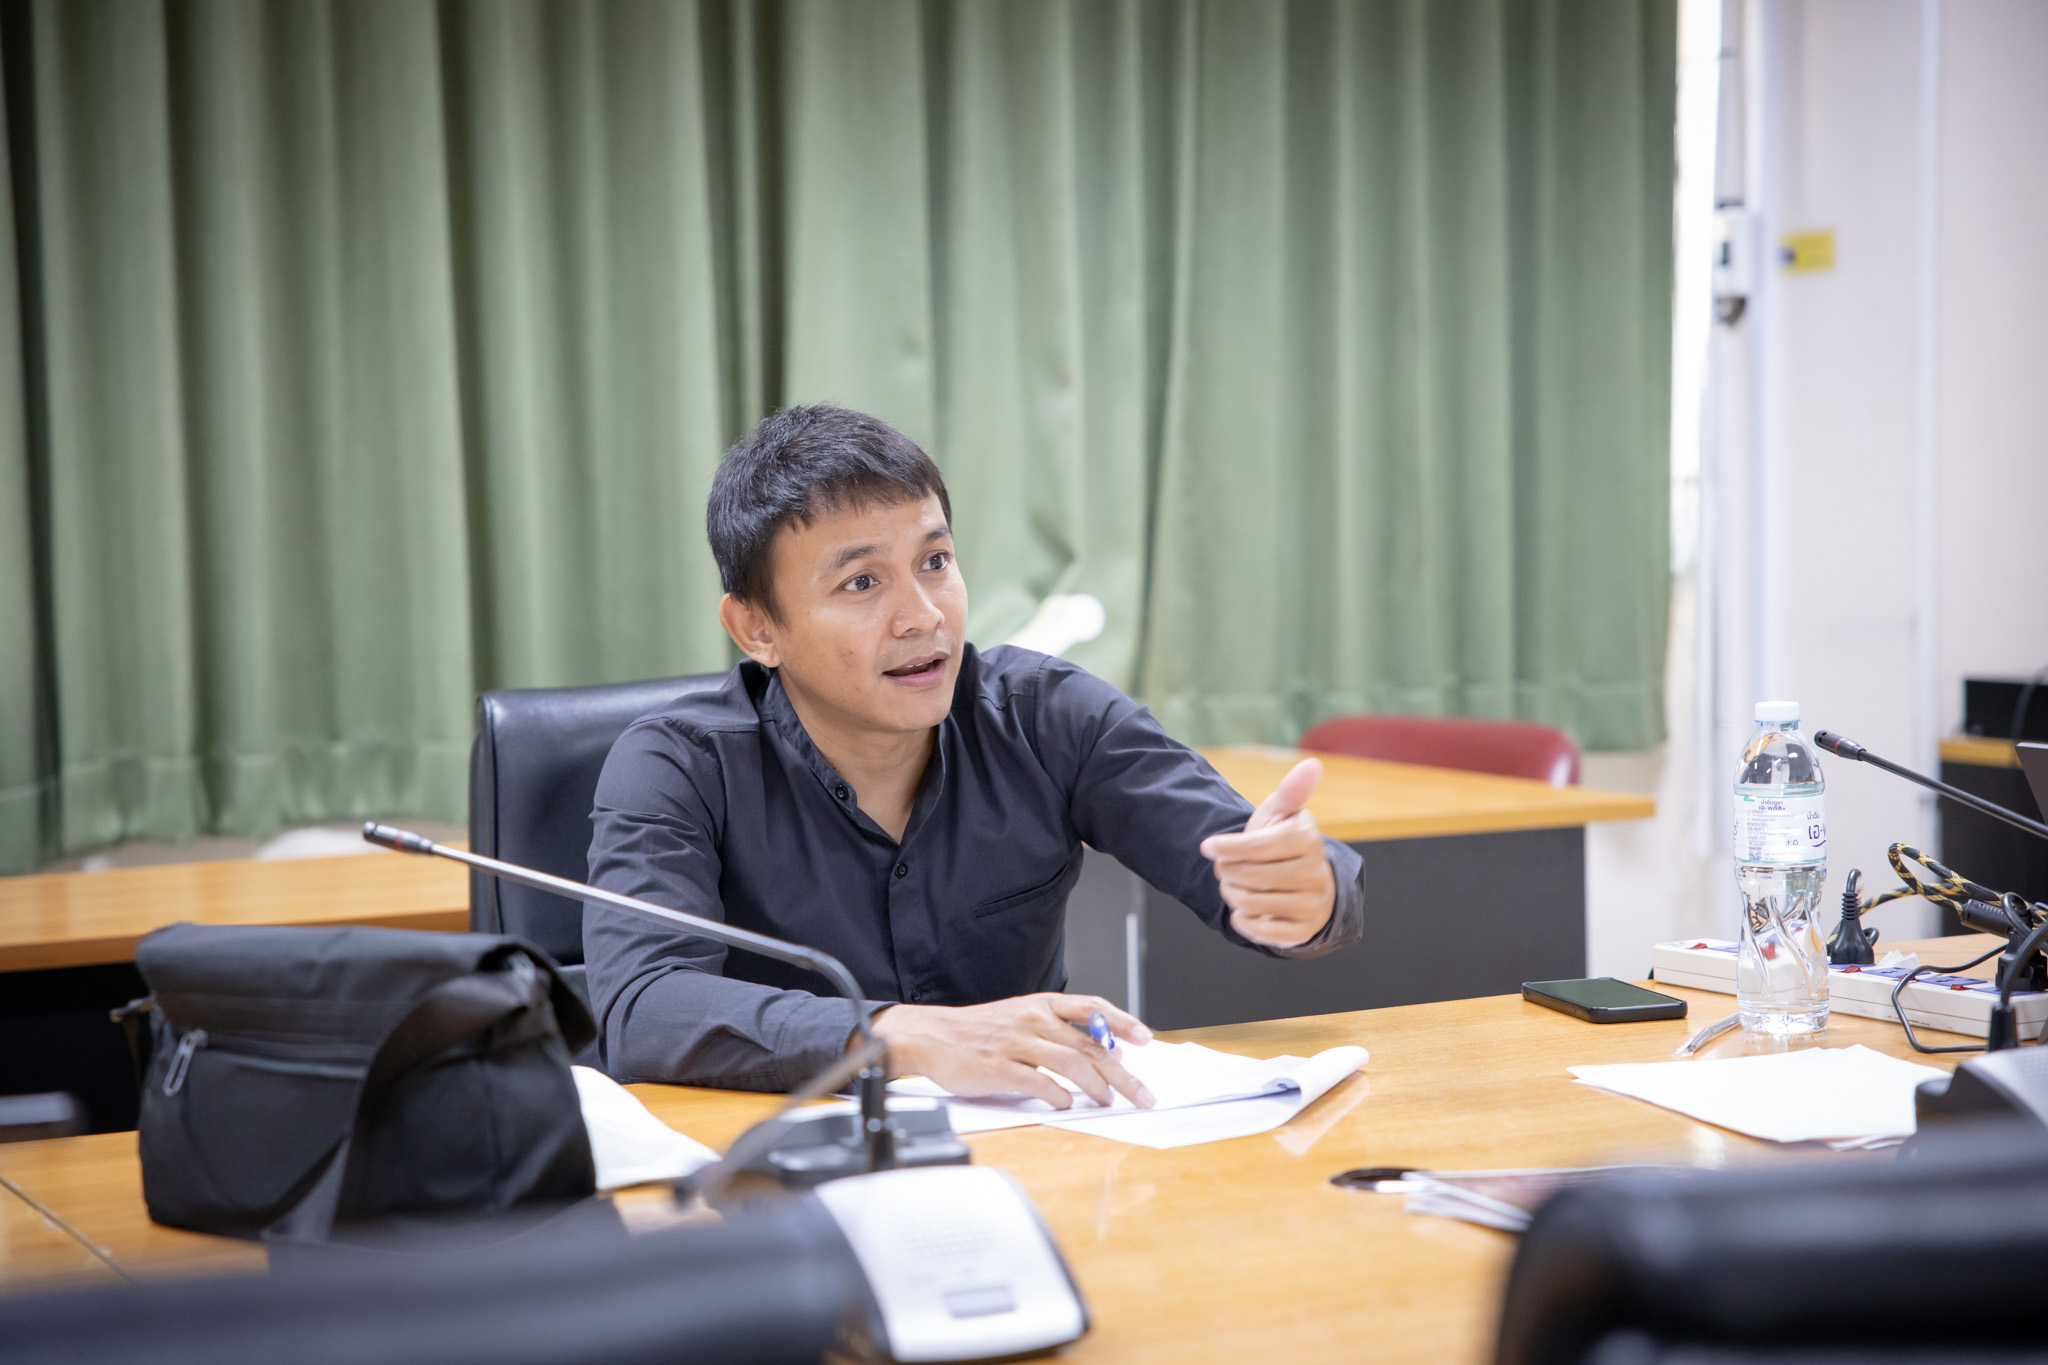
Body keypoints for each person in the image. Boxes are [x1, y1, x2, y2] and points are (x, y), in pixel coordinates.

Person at [584, 406, 1365, 1109]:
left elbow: (1251, 859)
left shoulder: (1045, 715)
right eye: (862, 581)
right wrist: (897, 1034)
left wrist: (1304, 891)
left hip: (1035, 1154)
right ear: (757, 628)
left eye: (935, 561)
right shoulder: (677, 765)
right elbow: (644, 1007)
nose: (923, 616)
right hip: (772, 1175)